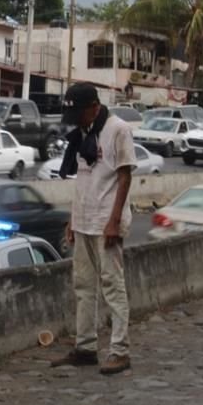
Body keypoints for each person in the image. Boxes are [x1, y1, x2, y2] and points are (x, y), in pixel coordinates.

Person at [51, 83, 135, 375]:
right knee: (83, 286)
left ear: (94, 107)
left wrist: (114, 221)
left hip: (106, 220)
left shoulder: (118, 129)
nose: (76, 121)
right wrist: (73, 219)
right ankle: (85, 346)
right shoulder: (83, 133)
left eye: (79, 114)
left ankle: (119, 350)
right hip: (85, 219)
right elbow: (82, 180)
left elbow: (124, 178)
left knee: (112, 286)